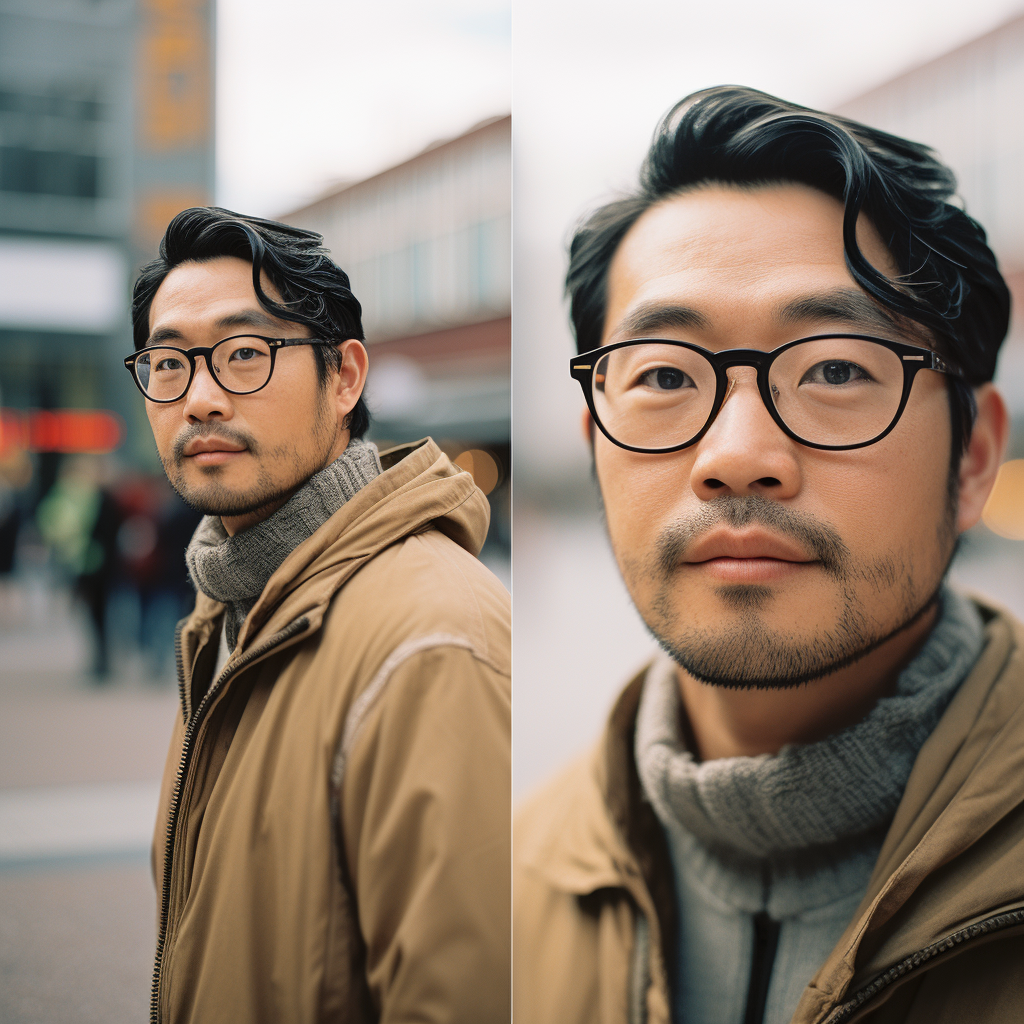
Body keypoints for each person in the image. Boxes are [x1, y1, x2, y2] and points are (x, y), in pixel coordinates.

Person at [514, 87, 1021, 1024]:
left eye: (835, 368)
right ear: (595, 446)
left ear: (974, 455)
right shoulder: (518, 878)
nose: (737, 455)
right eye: (664, 375)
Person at [128, 207, 510, 1023]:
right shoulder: (234, 609)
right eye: (167, 364)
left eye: (243, 355)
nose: (198, 398)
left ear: (344, 378)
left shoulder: (433, 639)